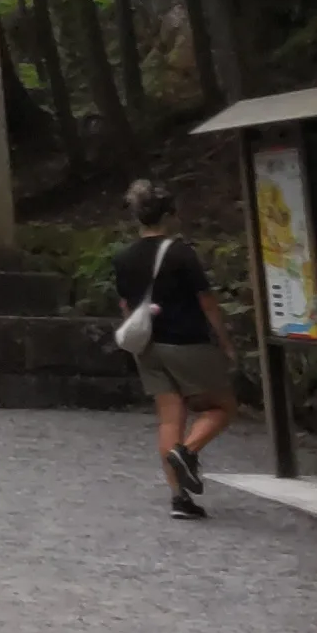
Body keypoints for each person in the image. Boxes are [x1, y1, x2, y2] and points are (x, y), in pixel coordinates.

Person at [113, 179, 240, 518]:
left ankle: (179, 498)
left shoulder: (123, 257)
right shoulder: (181, 252)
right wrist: (225, 342)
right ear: (169, 214)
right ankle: (188, 451)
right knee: (222, 407)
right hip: (187, 340)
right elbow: (207, 302)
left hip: (148, 345)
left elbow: (127, 304)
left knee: (170, 420)